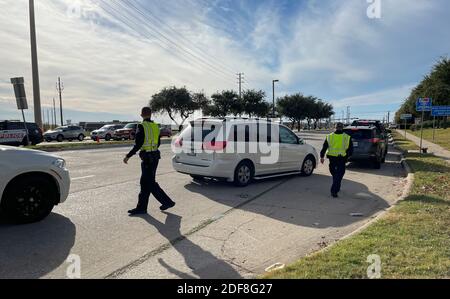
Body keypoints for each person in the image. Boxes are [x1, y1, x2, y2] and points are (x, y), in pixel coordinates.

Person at [123, 107, 176, 215]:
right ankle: (141, 207)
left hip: (147, 159)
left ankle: (167, 202)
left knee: (150, 183)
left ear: (141, 114)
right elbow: (158, 143)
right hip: (155, 157)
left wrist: (128, 156)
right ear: (151, 114)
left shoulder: (141, 126)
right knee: (144, 183)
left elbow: (138, 144)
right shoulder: (155, 126)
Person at [320, 123, 353, 198]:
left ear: (335, 127)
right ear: (342, 128)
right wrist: (348, 156)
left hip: (332, 158)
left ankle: (335, 188)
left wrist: (322, 156)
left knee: (334, 173)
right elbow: (350, 149)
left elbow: (324, 147)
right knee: (339, 174)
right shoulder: (347, 137)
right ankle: (334, 189)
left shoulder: (329, 136)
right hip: (342, 158)